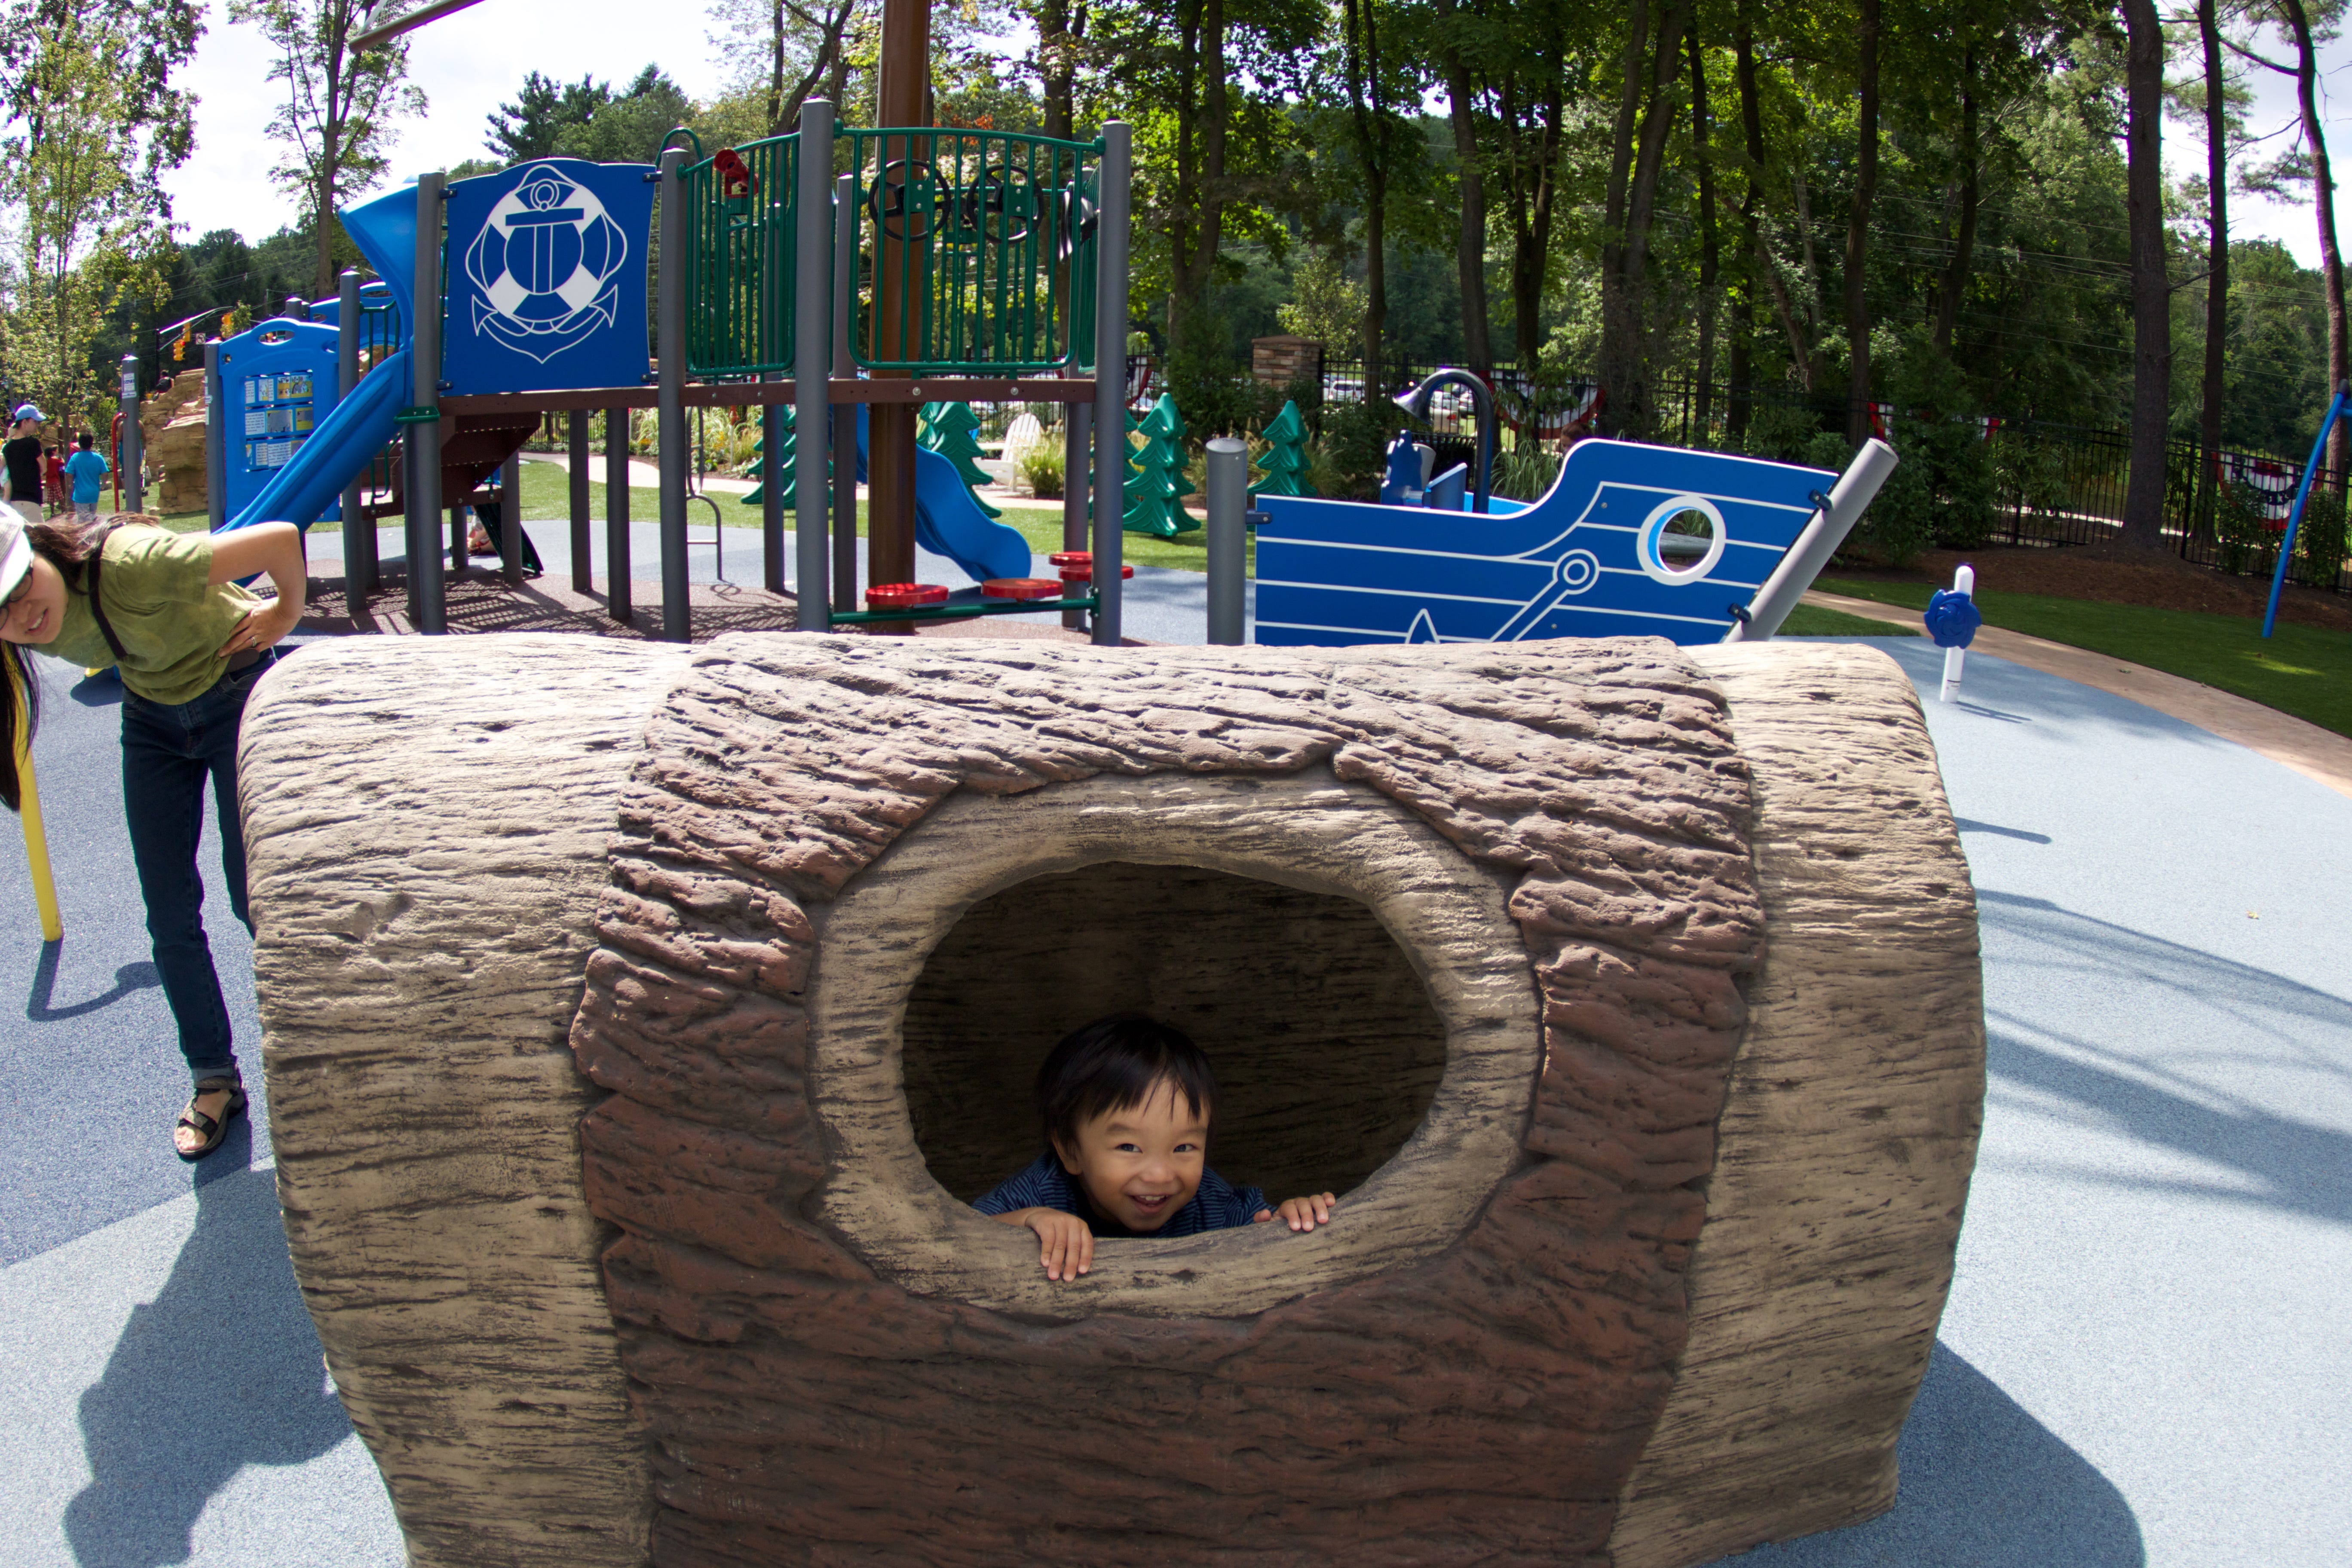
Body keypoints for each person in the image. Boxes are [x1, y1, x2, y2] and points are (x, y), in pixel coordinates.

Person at [0, 510, 308, 1159]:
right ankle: (214, 1078)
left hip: (236, 691)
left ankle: (319, 1052)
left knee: (250, 895)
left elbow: (280, 538)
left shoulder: (137, 564)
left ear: (36, 553)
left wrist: (283, 614)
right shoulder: (18, 629)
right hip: (152, 717)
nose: (24, 616)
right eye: (2, 612)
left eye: (21, 588)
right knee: (168, 914)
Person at [973, 1013, 1338, 1282]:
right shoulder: (1043, 1191)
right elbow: (960, 1233)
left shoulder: (1209, 1201)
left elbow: (1262, 1229)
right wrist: (1029, 1221)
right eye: (1130, 1146)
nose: (1161, 1174)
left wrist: (1293, 1220)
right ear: (1071, 1150)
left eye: (1183, 1148)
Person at [2, 404, 46, 527]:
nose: (37, 425)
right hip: (31, 501)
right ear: (25, 422)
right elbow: (44, 467)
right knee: (40, 541)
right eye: (35, 421)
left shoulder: (7, 449)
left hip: (14, 502)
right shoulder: (33, 443)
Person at [62, 433, 109, 520]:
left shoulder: (75, 457)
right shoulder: (98, 458)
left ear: (79, 444)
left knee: (83, 519)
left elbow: (69, 474)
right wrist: (103, 484)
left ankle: (95, 519)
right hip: (94, 492)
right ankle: (93, 521)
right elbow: (105, 473)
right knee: (91, 515)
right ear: (92, 444)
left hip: (81, 494)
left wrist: (70, 485)